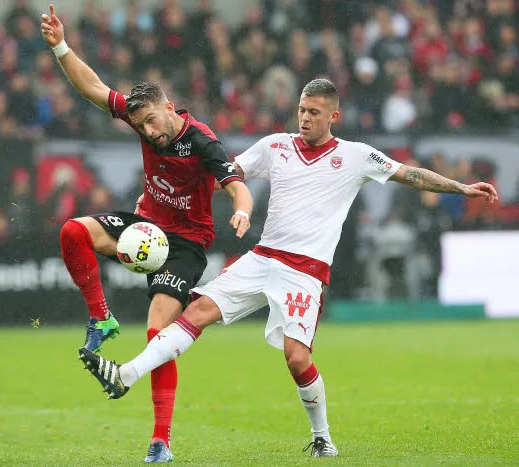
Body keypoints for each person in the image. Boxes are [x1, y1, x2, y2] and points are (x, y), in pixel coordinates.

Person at [78, 78, 499, 458]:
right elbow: (223, 173)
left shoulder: (355, 156)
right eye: (301, 110)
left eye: (314, 113)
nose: (305, 118)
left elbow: (410, 175)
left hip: (305, 271)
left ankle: (323, 437)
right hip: (263, 258)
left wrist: (460, 187)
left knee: (296, 359)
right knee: (195, 314)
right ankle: (126, 374)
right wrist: (161, 201)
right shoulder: (275, 146)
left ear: (333, 116)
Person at [41, 4, 253, 463]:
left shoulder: (201, 141)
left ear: (169, 108)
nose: (147, 131)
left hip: (185, 246)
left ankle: (161, 442)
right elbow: (93, 87)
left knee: (159, 331)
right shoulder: (141, 120)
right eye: (139, 126)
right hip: (146, 227)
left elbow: (236, 183)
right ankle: (101, 318)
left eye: (152, 121)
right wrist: (60, 45)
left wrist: (241, 211)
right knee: (73, 232)